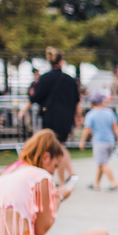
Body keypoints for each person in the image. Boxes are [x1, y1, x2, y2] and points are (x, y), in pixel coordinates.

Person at [29, 48, 81, 185]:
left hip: (51, 116)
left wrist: (24, 110)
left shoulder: (45, 78)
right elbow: (77, 101)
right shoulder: (70, 80)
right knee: (60, 146)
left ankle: (63, 180)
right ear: (62, 61)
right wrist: (78, 117)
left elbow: (35, 97)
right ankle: (69, 174)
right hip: (66, 117)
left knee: (57, 148)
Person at [80, 93, 118, 191]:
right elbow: (115, 126)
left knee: (102, 163)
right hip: (110, 141)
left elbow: (87, 129)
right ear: (102, 101)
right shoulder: (109, 112)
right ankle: (96, 183)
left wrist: (82, 142)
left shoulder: (90, 114)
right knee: (101, 162)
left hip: (99, 142)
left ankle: (113, 182)